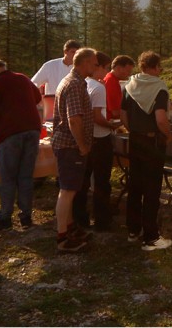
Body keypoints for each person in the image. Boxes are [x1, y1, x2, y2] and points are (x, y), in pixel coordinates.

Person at [120, 51, 172, 251]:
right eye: (160, 67)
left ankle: (133, 230)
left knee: (135, 186)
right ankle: (151, 237)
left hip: (135, 140)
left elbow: (122, 114)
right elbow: (161, 118)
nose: (160, 71)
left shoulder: (129, 85)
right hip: (152, 143)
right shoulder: (158, 88)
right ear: (154, 67)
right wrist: (168, 135)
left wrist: (132, 129)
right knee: (152, 189)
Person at [51, 47, 97, 252]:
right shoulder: (76, 85)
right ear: (85, 63)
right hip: (70, 145)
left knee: (69, 188)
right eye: (94, 63)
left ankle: (69, 227)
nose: (95, 67)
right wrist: (82, 145)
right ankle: (62, 237)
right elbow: (74, 119)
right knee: (67, 190)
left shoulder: (70, 81)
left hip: (66, 144)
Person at [0, 59, 42, 231]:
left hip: (10, 132)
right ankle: (26, 216)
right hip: (33, 130)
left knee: (8, 177)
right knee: (26, 175)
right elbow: (37, 97)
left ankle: (5, 217)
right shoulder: (23, 78)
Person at [73, 51, 121, 231]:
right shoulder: (99, 88)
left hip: (85, 137)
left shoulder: (83, 84)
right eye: (106, 68)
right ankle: (102, 219)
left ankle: (80, 218)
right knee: (101, 181)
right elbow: (96, 117)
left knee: (83, 181)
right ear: (97, 67)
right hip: (100, 138)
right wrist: (111, 125)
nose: (106, 72)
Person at [31, 39, 82, 121]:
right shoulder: (50, 66)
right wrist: (39, 99)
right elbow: (33, 83)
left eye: (78, 53)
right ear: (65, 51)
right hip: (53, 110)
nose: (75, 55)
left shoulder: (80, 68)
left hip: (74, 109)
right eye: (73, 52)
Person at [104, 55, 135, 121]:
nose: (129, 74)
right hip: (111, 122)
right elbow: (116, 112)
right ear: (118, 68)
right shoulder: (112, 82)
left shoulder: (110, 79)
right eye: (128, 71)